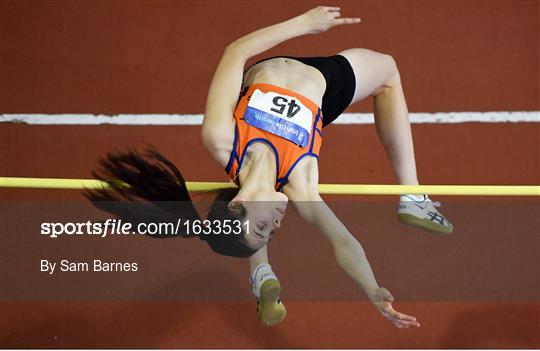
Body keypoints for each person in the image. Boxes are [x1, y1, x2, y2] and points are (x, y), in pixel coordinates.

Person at [87, 6, 453, 329]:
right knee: (387, 71)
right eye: (273, 231)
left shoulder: (221, 138)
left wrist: (303, 23)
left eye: (266, 225)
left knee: (249, 189)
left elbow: (236, 51)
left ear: (235, 205)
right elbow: (343, 242)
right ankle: (411, 194)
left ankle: (260, 271)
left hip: (266, 83)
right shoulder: (301, 185)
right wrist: (372, 290)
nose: (279, 222)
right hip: (323, 87)